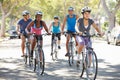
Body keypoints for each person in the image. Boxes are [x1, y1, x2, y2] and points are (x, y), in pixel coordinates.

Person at [76, 6, 104, 74]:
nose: (87, 14)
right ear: (83, 14)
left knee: (90, 53)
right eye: (86, 13)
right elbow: (76, 26)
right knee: (81, 43)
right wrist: (78, 31)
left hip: (87, 37)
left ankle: (89, 68)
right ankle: (78, 56)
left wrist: (100, 33)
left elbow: (96, 27)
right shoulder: (80, 20)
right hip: (80, 36)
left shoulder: (91, 21)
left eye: (88, 13)